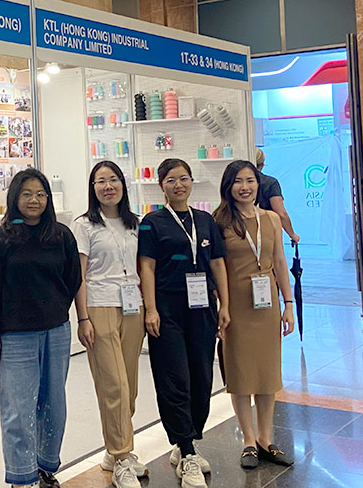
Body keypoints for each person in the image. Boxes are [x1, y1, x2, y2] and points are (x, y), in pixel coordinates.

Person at [0, 168, 82, 488]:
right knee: (18, 408)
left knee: (53, 404)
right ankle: (22, 477)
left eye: (40, 194)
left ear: (48, 199)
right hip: (14, 336)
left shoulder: (61, 235)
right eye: (27, 194)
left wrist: (63, 310)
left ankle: (44, 467)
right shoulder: (0, 238)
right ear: (15, 198)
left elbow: (74, 279)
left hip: (56, 332)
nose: (34, 200)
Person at [138, 159, 230, 488]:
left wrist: (225, 304)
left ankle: (187, 440)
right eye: (171, 180)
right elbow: (146, 267)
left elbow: (217, 263)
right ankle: (187, 450)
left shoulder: (205, 220)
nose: (179, 185)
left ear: (191, 182)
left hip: (202, 306)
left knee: (202, 376)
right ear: (161, 185)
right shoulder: (153, 222)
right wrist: (151, 309)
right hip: (168, 308)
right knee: (174, 377)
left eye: (184, 179)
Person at [213, 160, 295, 469]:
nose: (244, 187)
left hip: (266, 306)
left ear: (258, 184)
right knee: (240, 373)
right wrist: (221, 305)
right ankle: (248, 440)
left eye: (250, 180)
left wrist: (288, 304)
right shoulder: (219, 221)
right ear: (228, 186)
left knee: (266, 373)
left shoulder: (271, 218)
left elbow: (279, 261)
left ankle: (265, 439)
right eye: (238, 181)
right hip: (235, 307)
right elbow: (216, 268)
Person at [72, 161, 148, 488]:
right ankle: (121, 457)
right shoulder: (84, 225)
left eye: (113, 179)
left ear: (122, 184)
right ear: (93, 188)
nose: (108, 186)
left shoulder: (136, 223)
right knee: (113, 384)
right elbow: (79, 275)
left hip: (133, 306)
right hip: (99, 305)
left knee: (129, 386)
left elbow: (144, 268)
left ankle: (114, 450)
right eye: (100, 181)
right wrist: (83, 318)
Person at [254, 148, 299, 244]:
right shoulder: (270, 183)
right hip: (267, 232)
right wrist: (292, 234)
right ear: (262, 164)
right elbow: (281, 213)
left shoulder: (236, 182)